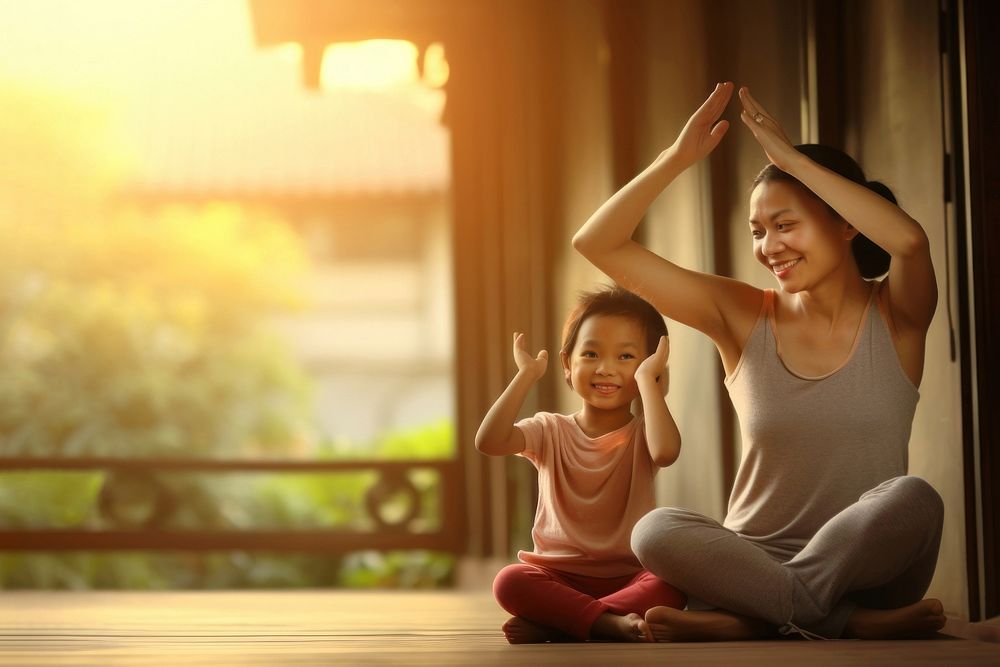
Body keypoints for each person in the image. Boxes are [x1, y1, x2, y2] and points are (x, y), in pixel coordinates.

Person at [572, 81, 945, 641]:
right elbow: (597, 242)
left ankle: (764, 616)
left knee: (914, 498)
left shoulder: (897, 316)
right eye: (758, 231)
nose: (769, 247)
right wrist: (676, 160)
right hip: (748, 564)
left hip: (868, 568)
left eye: (785, 224)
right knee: (655, 529)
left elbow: (911, 242)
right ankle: (830, 619)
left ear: (847, 223)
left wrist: (791, 160)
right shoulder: (743, 315)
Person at [475, 285, 687, 643]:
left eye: (626, 357)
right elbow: (490, 441)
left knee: (671, 585)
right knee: (509, 581)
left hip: (628, 576)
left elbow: (666, 452)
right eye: (590, 353)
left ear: (648, 367)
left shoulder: (645, 433)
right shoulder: (549, 429)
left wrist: (651, 385)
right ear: (567, 365)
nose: (605, 369)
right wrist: (525, 375)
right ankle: (605, 623)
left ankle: (562, 622)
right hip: (558, 576)